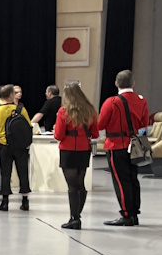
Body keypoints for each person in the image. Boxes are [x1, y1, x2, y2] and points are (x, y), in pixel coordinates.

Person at [97, 70, 149, 227]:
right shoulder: (141, 100)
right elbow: (144, 123)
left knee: (121, 180)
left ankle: (126, 214)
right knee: (133, 178)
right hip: (134, 146)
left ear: (116, 83)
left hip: (116, 145)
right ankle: (134, 213)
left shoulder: (112, 102)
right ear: (133, 83)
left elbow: (100, 124)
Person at [54, 83, 99, 230]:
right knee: (80, 184)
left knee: (72, 186)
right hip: (83, 149)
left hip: (68, 150)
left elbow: (58, 135)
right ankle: (77, 215)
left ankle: (74, 218)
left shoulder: (63, 111)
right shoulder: (90, 110)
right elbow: (95, 134)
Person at [0, 84, 32, 212]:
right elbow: (28, 126)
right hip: (20, 147)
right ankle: (25, 201)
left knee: (5, 174)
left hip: (5, 146)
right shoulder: (21, 110)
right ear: (11, 95)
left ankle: (5, 202)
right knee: (23, 173)